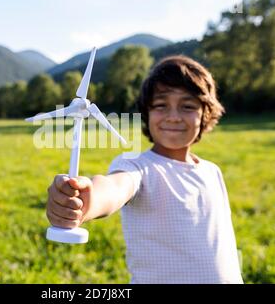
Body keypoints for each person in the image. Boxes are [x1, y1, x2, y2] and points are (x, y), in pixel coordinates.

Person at [46, 55, 243, 284]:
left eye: (187, 106)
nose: (174, 117)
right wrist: (87, 201)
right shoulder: (138, 167)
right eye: (161, 105)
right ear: (146, 113)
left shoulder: (212, 172)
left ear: (205, 113)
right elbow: (114, 187)